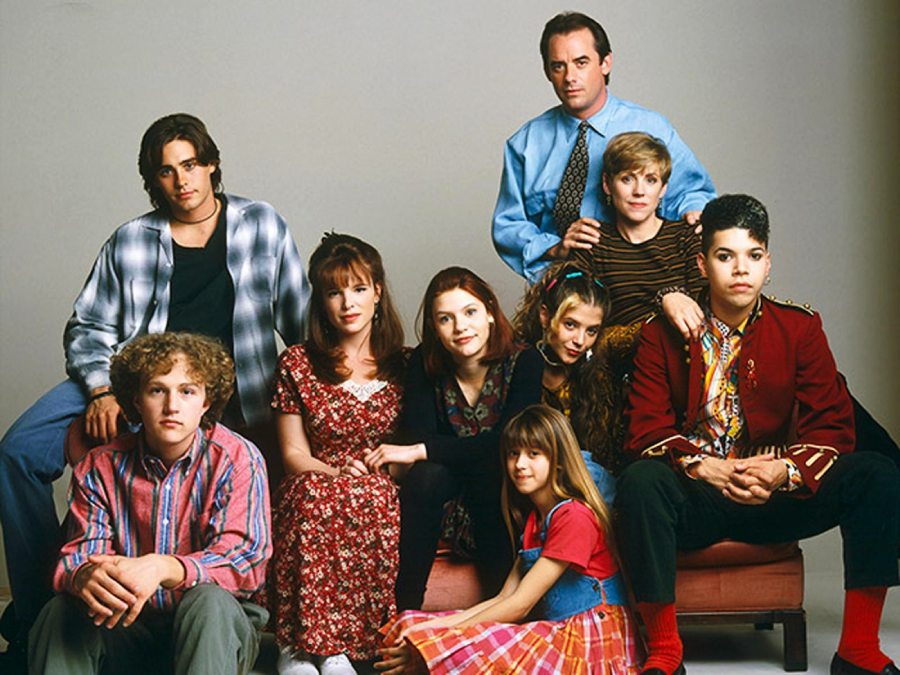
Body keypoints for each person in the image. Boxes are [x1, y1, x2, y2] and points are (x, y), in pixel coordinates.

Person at [0, 113, 309, 660]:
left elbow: (301, 320)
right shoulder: (131, 240)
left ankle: (282, 632)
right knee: (17, 452)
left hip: (232, 386)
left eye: (191, 165)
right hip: (135, 380)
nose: (182, 181)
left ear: (211, 164)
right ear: (153, 181)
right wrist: (101, 391)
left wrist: (349, 379)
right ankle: (34, 615)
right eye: (166, 172)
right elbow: (89, 326)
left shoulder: (263, 224)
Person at [616, 194, 900, 675]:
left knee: (875, 472)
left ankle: (857, 650)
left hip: (777, 497)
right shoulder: (658, 335)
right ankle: (665, 652)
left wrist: (783, 471)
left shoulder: (800, 327)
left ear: (768, 263)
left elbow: (832, 424)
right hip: (699, 496)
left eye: (752, 256)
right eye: (725, 256)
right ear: (702, 264)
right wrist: (705, 467)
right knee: (641, 481)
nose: (740, 269)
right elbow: (646, 428)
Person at [27, 332, 272, 675]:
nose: (172, 406)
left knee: (208, 601)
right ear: (137, 400)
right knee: (60, 614)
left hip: (213, 631)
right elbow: (79, 554)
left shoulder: (237, 458)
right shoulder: (100, 466)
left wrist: (164, 567)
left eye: (187, 391)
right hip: (127, 627)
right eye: (158, 390)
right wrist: (83, 574)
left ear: (205, 403)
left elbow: (246, 561)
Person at [376, 405, 641, 675]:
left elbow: (520, 604)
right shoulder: (534, 521)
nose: (520, 464)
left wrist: (443, 634)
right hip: (560, 629)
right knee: (409, 624)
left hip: (591, 639)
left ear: (559, 461)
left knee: (448, 644)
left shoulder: (574, 516)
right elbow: (504, 596)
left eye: (533, 454)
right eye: (514, 453)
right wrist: (433, 627)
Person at [363, 267, 543, 611]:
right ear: (434, 327)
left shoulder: (525, 361)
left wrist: (422, 450)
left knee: (488, 473)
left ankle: (502, 621)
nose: (461, 327)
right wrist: (430, 450)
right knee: (426, 476)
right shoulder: (423, 363)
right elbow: (420, 433)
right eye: (446, 319)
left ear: (490, 312)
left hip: (503, 479)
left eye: (470, 312)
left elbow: (509, 441)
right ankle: (405, 614)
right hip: (444, 482)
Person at [270, 234, 408, 675]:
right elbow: (293, 453)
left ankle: (343, 650)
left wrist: (383, 467)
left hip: (383, 481)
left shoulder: (408, 365)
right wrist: (333, 470)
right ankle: (298, 646)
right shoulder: (297, 364)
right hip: (316, 473)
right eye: (335, 291)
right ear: (321, 301)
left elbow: (420, 444)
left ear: (378, 293)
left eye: (359, 288)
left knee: (372, 496)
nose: (348, 302)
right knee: (313, 493)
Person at [492, 11, 715, 281]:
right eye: (558, 66)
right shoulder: (525, 144)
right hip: (564, 295)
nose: (570, 77)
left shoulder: (652, 128)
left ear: (605, 63)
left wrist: (695, 212)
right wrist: (555, 247)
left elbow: (691, 193)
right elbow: (508, 225)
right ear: (547, 72)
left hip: (643, 282)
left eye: (581, 62)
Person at [512, 262, 625, 490]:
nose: (580, 341)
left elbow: (650, 328)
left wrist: (670, 298)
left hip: (603, 489)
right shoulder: (517, 362)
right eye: (570, 324)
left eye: (591, 330)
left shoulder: (605, 350)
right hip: (540, 487)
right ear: (545, 316)